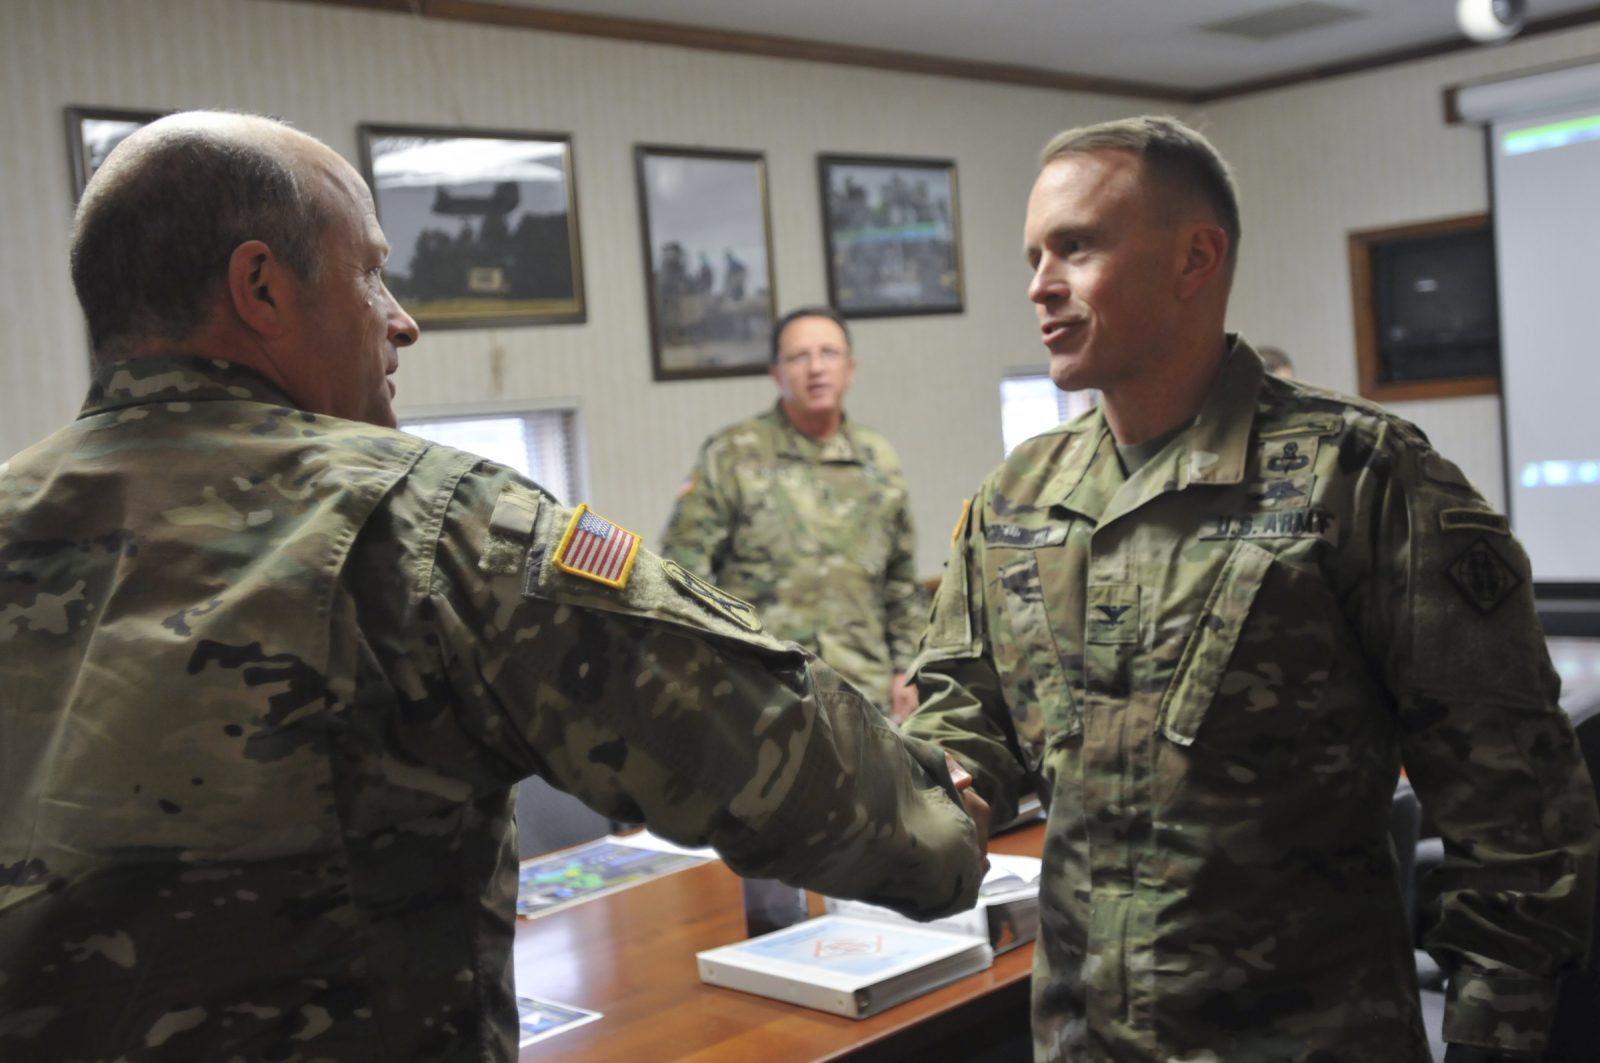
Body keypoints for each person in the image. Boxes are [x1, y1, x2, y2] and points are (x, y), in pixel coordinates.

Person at [0, 112, 988, 1062]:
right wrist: (939, 822)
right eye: (372, 273)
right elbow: (781, 761)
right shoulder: (429, 523)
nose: (402, 320)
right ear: (260, 288)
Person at [904, 115, 1599, 1063]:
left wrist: (1491, 1044)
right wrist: (943, 782)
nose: (1039, 286)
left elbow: (1518, 826)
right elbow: (964, 719)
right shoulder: (1015, 499)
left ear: (1196, 258)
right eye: (1033, 255)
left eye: (1076, 246)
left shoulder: (1362, 476)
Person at [660, 307, 922, 721]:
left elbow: (900, 579)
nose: (816, 368)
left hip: (862, 690)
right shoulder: (733, 453)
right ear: (776, 373)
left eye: (829, 353)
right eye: (799, 357)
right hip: (760, 689)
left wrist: (905, 668)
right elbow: (682, 568)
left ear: (850, 368)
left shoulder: (879, 459)